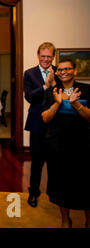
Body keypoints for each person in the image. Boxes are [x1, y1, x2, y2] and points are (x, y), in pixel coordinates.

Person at [41, 59, 90, 228]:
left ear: (75, 71)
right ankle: (65, 220)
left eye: (67, 69)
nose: (63, 72)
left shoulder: (86, 90)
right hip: (57, 146)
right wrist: (57, 102)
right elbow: (45, 118)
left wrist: (75, 103)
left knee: (85, 184)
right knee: (60, 184)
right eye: (60, 70)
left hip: (83, 146)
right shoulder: (51, 92)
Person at [24, 42, 57, 207]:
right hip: (37, 122)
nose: (45, 59)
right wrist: (46, 85)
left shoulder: (60, 72)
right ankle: (34, 193)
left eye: (49, 56)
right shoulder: (29, 73)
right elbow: (29, 97)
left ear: (53, 56)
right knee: (36, 160)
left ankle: (55, 194)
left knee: (55, 161)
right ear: (38, 55)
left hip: (57, 123)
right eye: (43, 56)